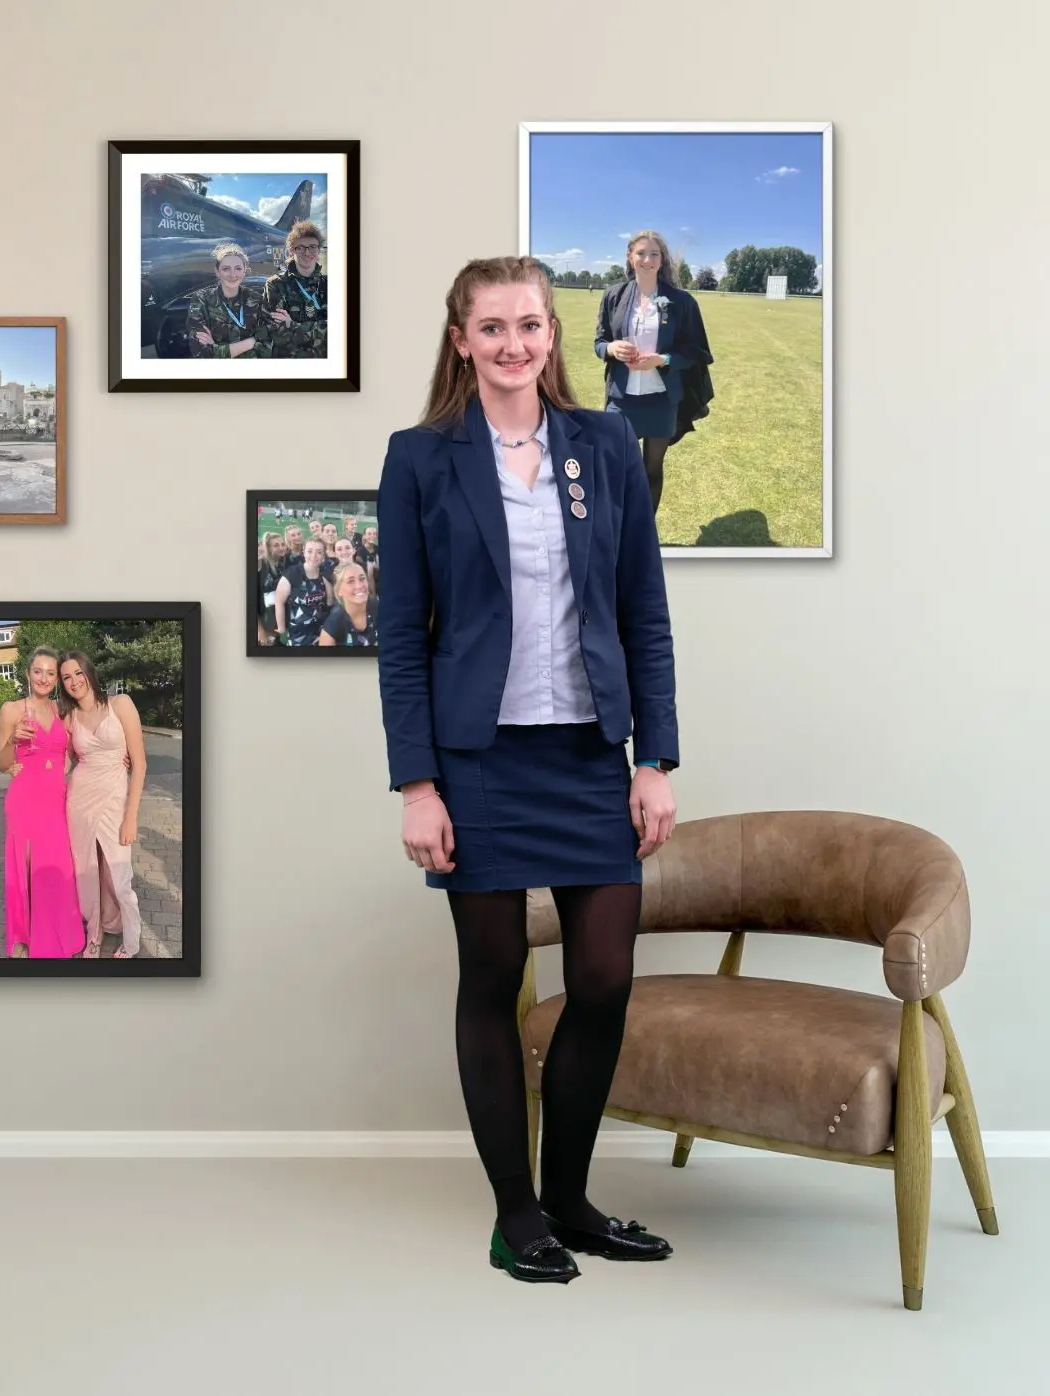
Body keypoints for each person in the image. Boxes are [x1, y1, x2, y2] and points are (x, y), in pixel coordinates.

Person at [377, 255, 679, 1285]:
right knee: (494, 975)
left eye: (531, 326)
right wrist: (417, 783)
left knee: (602, 978)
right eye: (492, 327)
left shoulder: (604, 444)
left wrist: (656, 759)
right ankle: (517, 1213)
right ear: (460, 339)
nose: (514, 344)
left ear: (556, 335)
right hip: (478, 763)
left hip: (590, 757)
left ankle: (571, 1198)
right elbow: (401, 638)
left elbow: (643, 610)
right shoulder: (420, 458)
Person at [595, 230, 713, 515]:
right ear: (630, 257)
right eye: (641, 253)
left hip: (661, 400)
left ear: (662, 260)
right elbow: (599, 342)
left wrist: (663, 358)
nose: (647, 259)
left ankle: (644, 534)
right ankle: (619, 529)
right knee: (618, 470)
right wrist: (611, 349)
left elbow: (698, 352)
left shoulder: (682, 302)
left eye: (654, 254)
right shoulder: (614, 296)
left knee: (652, 470)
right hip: (621, 400)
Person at [0, 648, 84, 959]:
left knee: (56, 868)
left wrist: (112, 759)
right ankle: (24, 935)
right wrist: (12, 742)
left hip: (56, 800)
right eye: (38, 671)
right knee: (25, 867)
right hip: (24, 799)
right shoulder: (12, 709)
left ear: (56, 678)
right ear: (28, 673)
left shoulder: (63, 710)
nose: (44, 678)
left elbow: (76, 749)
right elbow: (1, 762)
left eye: (50, 673)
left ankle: (60, 933)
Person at [59, 652, 145, 958]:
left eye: (78, 673)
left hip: (115, 800)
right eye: (66, 677)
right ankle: (93, 933)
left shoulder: (120, 704)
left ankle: (132, 941)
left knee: (119, 877)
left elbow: (141, 763)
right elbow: (64, 761)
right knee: (86, 871)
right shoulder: (69, 719)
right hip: (79, 801)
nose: (74, 681)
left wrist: (131, 816)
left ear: (89, 673)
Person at [262, 219, 329, 358]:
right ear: (292, 250)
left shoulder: (329, 284)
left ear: (318, 249)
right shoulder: (276, 284)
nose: (307, 252)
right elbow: (277, 333)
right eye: (300, 247)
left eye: (312, 247)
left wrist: (293, 326)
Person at [186, 243, 267, 359]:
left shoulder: (257, 299)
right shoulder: (202, 299)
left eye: (238, 268)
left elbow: (266, 347)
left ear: (244, 271)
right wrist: (250, 342)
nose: (232, 274)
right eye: (226, 269)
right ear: (217, 271)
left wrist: (217, 349)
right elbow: (201, 352)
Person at [273, 537, 333, 646]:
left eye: (319, 552)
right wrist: (282, 630)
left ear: (323, 554)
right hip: (297, 634)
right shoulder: (293, 573)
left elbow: (329, 603)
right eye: (310, 551)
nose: (314, 556)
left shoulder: (325, 574)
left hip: (320, 632)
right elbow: (279, 602)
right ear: (303, 552)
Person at [318, 561, 378, 647]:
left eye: (362, 578)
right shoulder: (333, 625)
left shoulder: (379, 609)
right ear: (339, 591)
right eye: (350, 581)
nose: (359, 585)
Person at [256, 530, 291, 646]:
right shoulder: (262, 566)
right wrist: (260, 630)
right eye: (276, 545)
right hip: (266, 624)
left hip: (280, 620)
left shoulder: (285, 562)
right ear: (268, 548)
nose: (281, 548)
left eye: (282, 544)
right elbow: (252, 603)